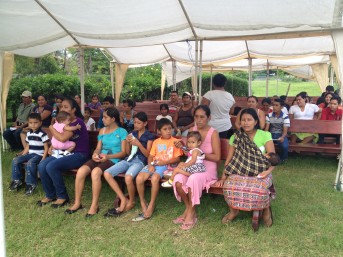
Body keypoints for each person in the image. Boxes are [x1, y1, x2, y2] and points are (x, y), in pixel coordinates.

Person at [216, 108, 276, 230]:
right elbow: (230, 157)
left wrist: (267, 172)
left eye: (249, 120)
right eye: (243, 120)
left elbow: (273, 158)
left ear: (255, 122)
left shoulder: (265, 135)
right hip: (240, 170)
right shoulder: (236, 136)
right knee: (229, 186)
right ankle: (234, 211)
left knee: (259, 189)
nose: (246, 122)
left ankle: (265, 209)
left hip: (260, 172)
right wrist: (224, 174)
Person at [65, 107, 127, 217]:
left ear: (113, 119)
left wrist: (108, 156)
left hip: (114, 158)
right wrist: (95, 154)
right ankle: (77, 203)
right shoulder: (102, 130)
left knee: (95, 172)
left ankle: (94, 205)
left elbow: (123, 153)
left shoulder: (122, 132)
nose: (102, 119)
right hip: (100, 157)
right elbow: (98, 147)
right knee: (81, 171)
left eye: (105, 117)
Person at [172, 105, 220, 230]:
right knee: (178, 178)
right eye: (196, 117)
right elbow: (189, 149)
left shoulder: (213, 133)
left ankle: (191, 213)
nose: (198, 120)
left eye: (202, 117)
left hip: (207, 169)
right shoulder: (193, 129)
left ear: (208, 118)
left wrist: (200, 154)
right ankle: (189, 208)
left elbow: (217, 157)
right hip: (192, 166)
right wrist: (182, 145)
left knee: (193, 179)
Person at [37, 98, 89, 208]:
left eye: (66, 107)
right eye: (61, 107)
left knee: (51, 166)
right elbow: (57, 140)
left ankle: (62, 196)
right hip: (64, 153)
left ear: (74, 109)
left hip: (79, 154)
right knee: (42, 165)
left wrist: (51, 128)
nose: (62, 109)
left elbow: (62, 138)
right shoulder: (62, 123)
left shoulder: (76, 123)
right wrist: (52, 145)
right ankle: (50, 195)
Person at [103, 112, 155, 217]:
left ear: (145, 123)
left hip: (140, 161)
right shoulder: (132, 133)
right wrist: (127, 142)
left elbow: (148, 154)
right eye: (135, 122)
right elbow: (127, 152)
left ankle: (131, 201)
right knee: (107, 173)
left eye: (138, 123)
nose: (136, 125)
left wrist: (139, 144)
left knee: (128, 177)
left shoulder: (149, 136)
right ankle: (122, 198)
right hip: (129, 159)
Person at [132, 118, 183, 221]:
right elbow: (151, 155)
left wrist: (164, 162)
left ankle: (151, 204)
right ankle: (143, 202)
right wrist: (150, 165)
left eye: (170, 128)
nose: (169, 131)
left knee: (155, 178)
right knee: (139, 178)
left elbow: (177, 158)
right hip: (154, 164)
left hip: (165, 165)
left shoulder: (175, 141)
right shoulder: (156, 142)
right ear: (159, 131)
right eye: (165, 129)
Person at [9, 113, 49, 196]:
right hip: (31, 154)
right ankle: (17, 180)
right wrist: (23, 155)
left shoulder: (42, 134)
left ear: (40, 123)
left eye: (35, 122)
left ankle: (31, 184)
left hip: (39, 155)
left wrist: (43, 159)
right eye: (31, 123)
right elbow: (27, 146)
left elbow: (46, 148)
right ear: (28, 123)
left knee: (30, 163)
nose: (33, 125)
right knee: (15, 160)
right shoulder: (29, 134)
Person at [201, 73, 235, 138]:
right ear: (225, 83)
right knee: (223, 146)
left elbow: (203, 111)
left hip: (211, 126)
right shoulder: (230, 96)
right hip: (226, 126)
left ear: (213, 83)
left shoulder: (209, 94)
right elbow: (231, 112)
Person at [265, 98, 290, 162]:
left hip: (281, 134)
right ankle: (266, 157)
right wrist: (265, 136)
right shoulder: (269, 115)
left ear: (281, 107)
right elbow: (267, 129)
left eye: (276, 105)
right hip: (271, 134)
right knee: (263, 143)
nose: (274, 107)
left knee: (284, 146)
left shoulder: (285, 117)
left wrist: (282, 137)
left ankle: (283, 159)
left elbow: (285, 131)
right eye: (273, 105)